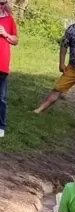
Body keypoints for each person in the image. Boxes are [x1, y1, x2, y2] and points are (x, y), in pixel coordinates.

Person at [0, 0, 18, 138]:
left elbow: (15, 40)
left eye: (2, 3)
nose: (0, 5)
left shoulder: (9, 19)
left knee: (1, 97)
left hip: (2, 64)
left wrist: (5, 34)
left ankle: (1, 126)